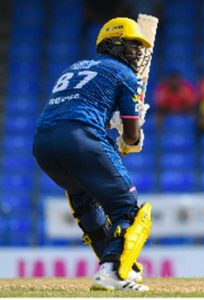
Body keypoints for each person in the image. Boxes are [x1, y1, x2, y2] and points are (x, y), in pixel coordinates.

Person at [32, 17, 153, 291]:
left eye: (139, 47)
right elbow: (131, 139)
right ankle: (112, 271)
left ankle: (114, 263)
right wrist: (129, 134)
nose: (137, 53)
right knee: (129, 210)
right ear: (113, 45)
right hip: (79, 139)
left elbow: (78, 108)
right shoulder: (124, 74)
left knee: (85, 203)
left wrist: (111, 123)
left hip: (43, 145)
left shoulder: (73, 67)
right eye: (132, 45)